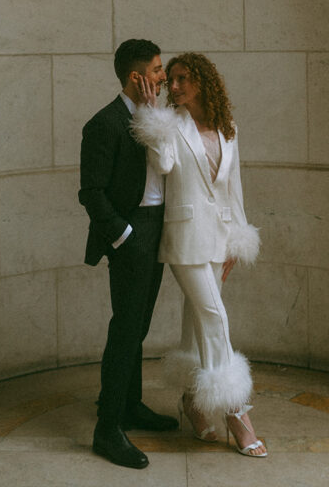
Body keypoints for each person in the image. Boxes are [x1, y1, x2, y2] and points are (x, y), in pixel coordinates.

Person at [132, 51, 267, 458]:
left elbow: (233, 188)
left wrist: (238, 239)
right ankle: (236, 413)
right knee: (214, 317)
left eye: (183, 78)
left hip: (218, 238)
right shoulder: (171, 126)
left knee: (196, 320)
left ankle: (192, 400)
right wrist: (151, 114)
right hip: (184, 239)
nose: (174, 86)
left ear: (204, 81)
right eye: (170, 79)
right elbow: (166, 165)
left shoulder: (228, 128)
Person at [79, 39, 179, 470]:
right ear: (136, 76)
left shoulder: (158, 116)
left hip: (157, 229)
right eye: (157, 70)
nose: (163, 76)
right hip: (132, 233)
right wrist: (123, 236)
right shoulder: (104, 123)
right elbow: (91, 192)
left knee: (139, 326)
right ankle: (107, 429)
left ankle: (130, 406)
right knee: (125, 330)